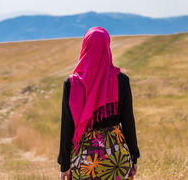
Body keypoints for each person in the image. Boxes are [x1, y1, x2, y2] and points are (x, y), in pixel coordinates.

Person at [58, 27, 140, 180]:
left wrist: (64, 165)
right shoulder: (121, 81)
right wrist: (134, 156)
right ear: (107, 47)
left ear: (85, 47)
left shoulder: (71, 84)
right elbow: (128, 122)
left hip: (83, 160)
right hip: (117, 158)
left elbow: (67, 127)